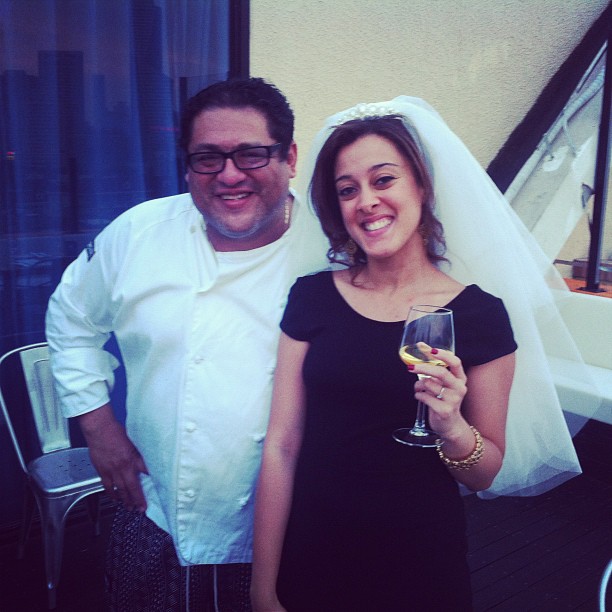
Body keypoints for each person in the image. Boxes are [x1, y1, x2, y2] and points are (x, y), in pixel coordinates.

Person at [250, 97, 589, 611]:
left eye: (383, 180)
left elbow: (482, 473)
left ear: (422, 187)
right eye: (347, 189)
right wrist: (262, 587)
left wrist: (451, 425)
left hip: (418, 562)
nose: (366, 201)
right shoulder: (312, 296)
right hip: (313, 550)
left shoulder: (480, 315)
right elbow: (281, 445)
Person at [45, 77, 330, 611]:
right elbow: (70, 318)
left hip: (298, 522)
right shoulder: (138, 233)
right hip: (154, 512)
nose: (229, 175)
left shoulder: (330, 246)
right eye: (207, 158)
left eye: (251, 154)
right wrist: (98, 427)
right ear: (187, 166)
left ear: (290, 157)